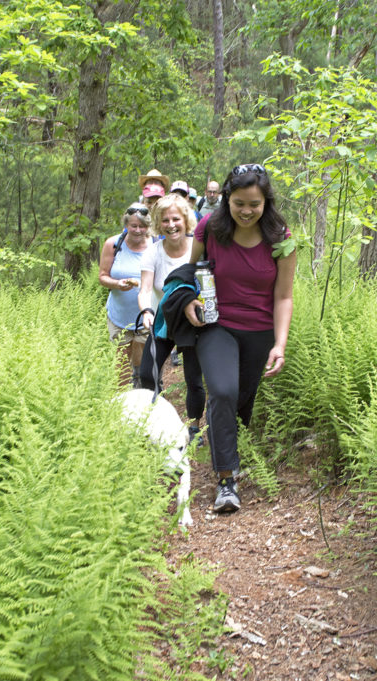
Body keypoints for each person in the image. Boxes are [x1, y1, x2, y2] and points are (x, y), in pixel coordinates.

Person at [185, 163, 296, 513]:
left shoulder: (281, 238)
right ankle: (226, 481)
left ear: (266, 202)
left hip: (260, 331)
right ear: (226, 201)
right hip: (216, 324)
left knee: (241, 403)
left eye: (254, 204)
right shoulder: (210, 228)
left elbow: (284, 296)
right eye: (239, 203)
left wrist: (279, 343)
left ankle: (226, 447)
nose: (246, 211)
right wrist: (189, 300)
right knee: (222, 391)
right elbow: (190, 275)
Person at [137, 193, 206, 442]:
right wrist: (146, 311)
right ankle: (160, 419)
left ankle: (194, 428)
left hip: (193, 322)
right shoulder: (153, 252)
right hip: (163, 320)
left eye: (175, 218)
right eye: (164, 220)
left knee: (193, 379)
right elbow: (145, 289)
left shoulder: (197, 248)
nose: (171, 225)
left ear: (185, 219)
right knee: (147, 373)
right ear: (158, 223)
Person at [99, 202, 152, 386]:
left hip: (145, 313)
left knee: (141, 352)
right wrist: (117, 284)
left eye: (143, 226)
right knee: (121, 358)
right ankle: (121, 399)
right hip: (119, 314)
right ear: (126, 224)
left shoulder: (155, 246)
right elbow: (102, 276)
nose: (138, 230)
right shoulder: (113, 244)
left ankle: (139, 380)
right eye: (134, 226)